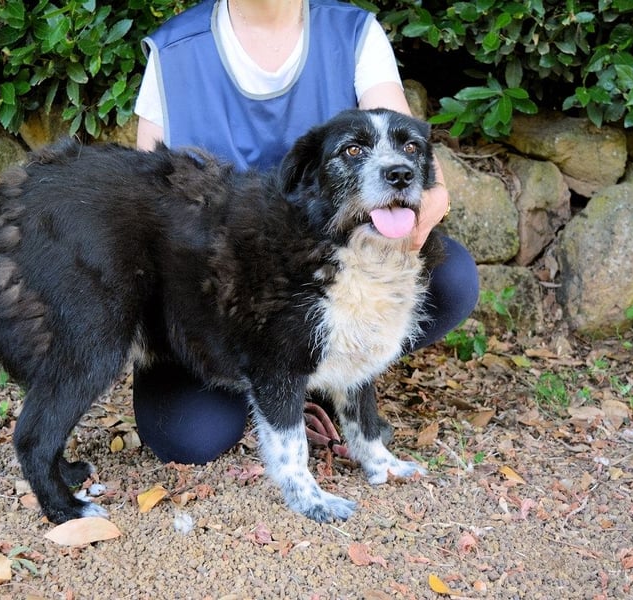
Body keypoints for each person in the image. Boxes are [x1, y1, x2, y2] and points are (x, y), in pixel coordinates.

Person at [132, 0, 479, 464]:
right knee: (188, 437)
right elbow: (151, 206)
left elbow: (413, 159)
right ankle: (272, 377)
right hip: (218, 294)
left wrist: (416, 215)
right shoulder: (175, 50)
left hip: (324, 265)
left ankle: (312, 373)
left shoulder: (353, 33)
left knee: (450, 279)